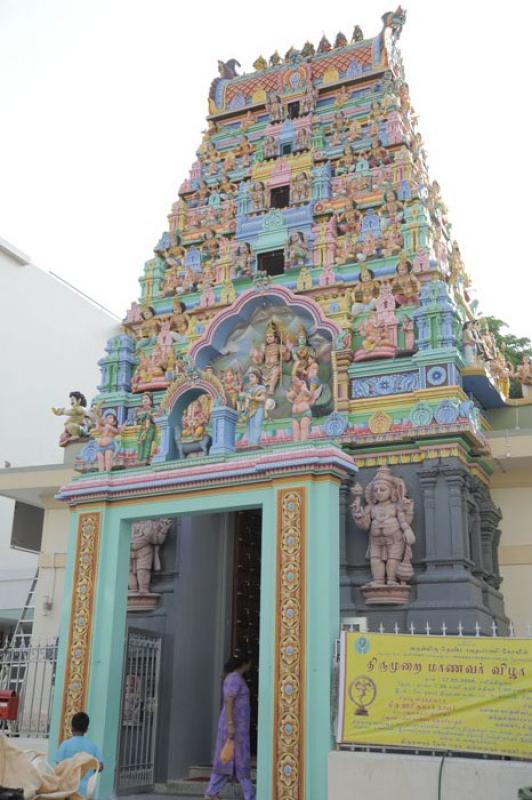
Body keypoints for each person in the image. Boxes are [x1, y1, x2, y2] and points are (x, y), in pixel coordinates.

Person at [205, 654, 255, 800]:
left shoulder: (235, 678)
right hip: (234, 727)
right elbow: (228, 701)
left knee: (234, 760)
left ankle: (213, 791)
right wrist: (230, 725)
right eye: (250, 662)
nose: (251, 666)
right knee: (233, 759)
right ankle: (249, 794)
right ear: (245, 663)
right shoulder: (234, 678)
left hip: (238, 728)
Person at [55, 711, 103, 798]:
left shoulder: (64, 745)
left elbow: (58, 767)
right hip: (87, 791)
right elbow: (100, 767)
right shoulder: (93, 746)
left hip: (67, 790)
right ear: (86, 730)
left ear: (71, 728)